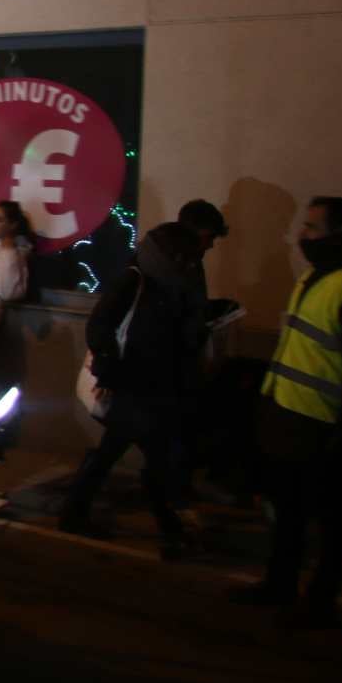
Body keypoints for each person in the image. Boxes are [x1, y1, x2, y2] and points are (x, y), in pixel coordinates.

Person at [234, 197, 342, 625]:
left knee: (330, 521)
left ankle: (318, 602)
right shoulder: (318, 277)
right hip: (290, 419)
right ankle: (279, 585)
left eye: (312, 227)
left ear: (340, 235)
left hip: (322, 425)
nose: (301, 235)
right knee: (289, 513)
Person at [59, 222, 206, 559]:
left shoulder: (168, 282)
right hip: (133, 386)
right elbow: (100, 325)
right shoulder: (136, 279)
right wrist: (108, 372)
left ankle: (74, 513)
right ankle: (172, 530)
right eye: (183, 257)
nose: (189, 263)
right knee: (157, 459)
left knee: (117, 452)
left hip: (148, 387)